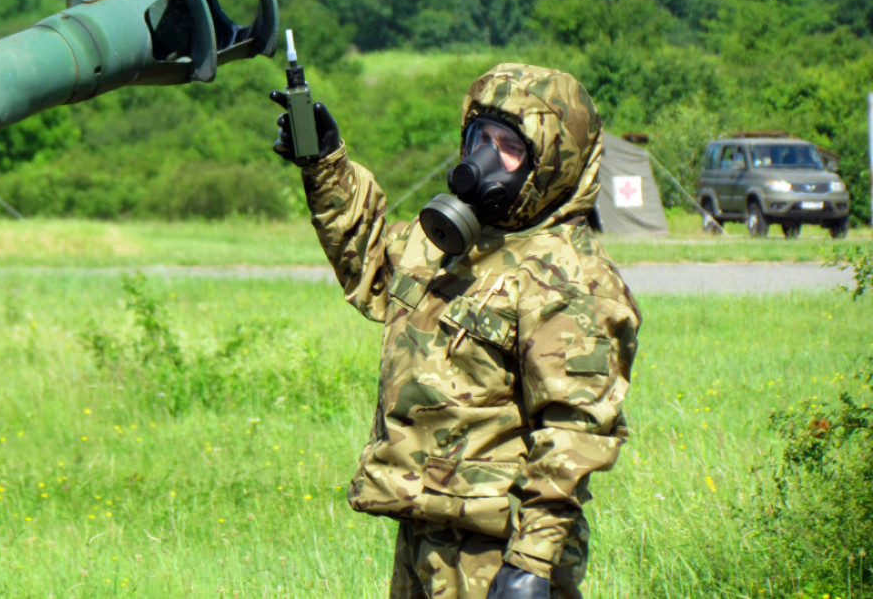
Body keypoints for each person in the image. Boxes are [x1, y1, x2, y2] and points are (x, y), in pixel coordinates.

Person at [271, 63, 640, 599]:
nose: (483, 160)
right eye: (479, 138)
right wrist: (326, 163)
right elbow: (371, 263)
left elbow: (574, 435)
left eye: (508, 147)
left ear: (553, 162)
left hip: (498, 544)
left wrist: (533, 564)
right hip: (425, 521)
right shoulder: (451, 241)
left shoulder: (571, 279)